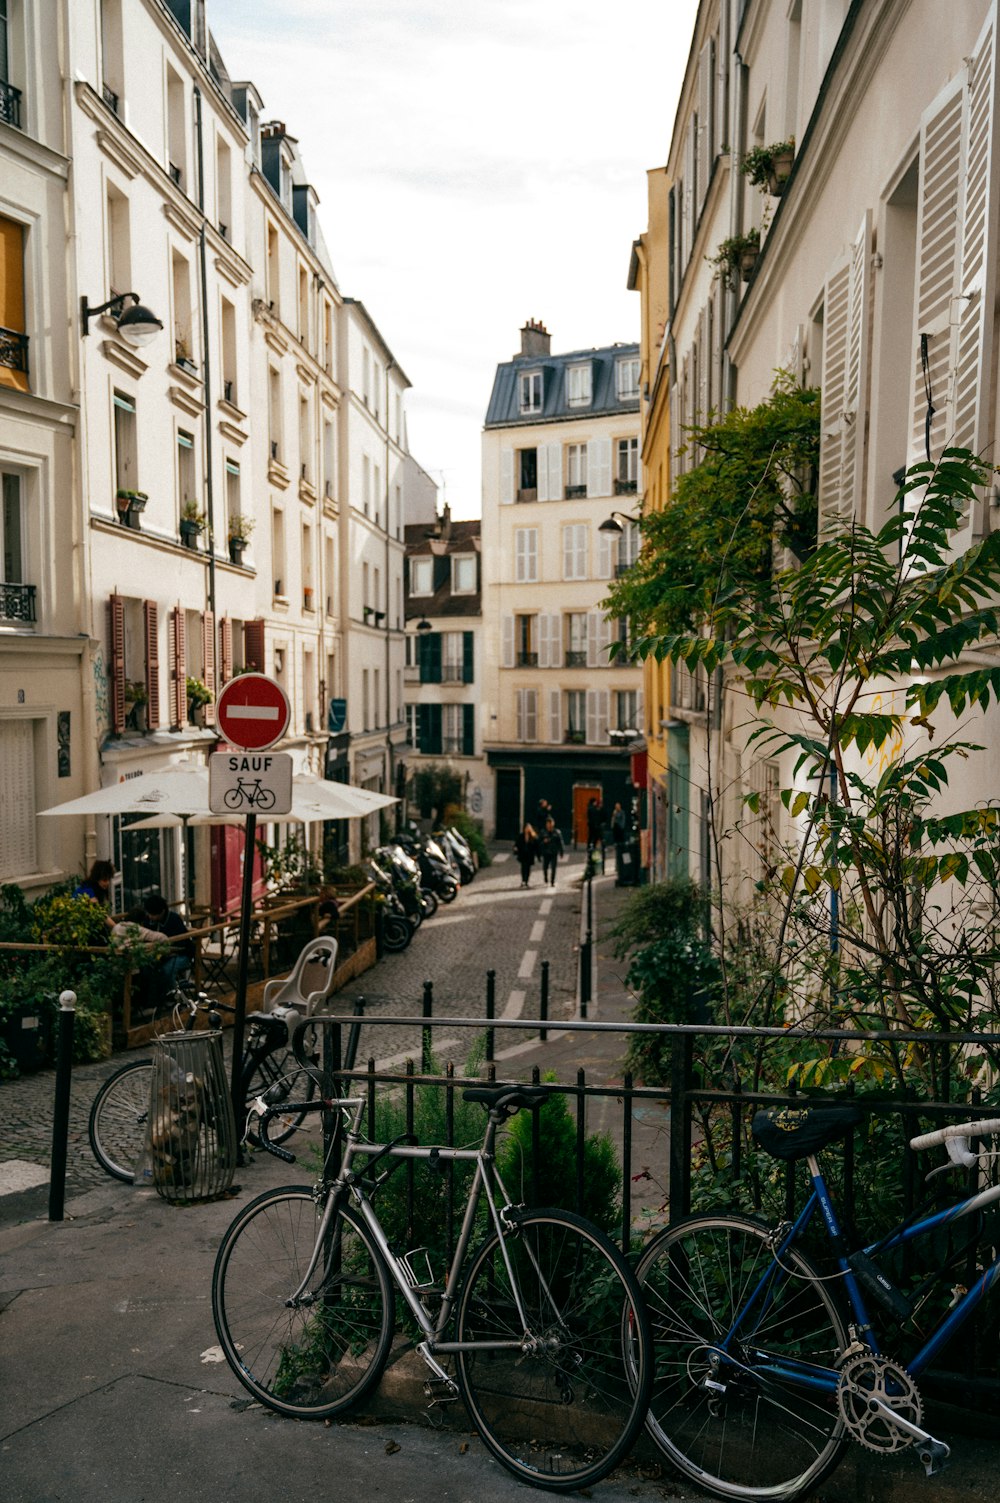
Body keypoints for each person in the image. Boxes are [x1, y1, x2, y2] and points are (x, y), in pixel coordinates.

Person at [140, 893, 194, 993]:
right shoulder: (148, 920)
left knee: (167, 970)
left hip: (180, 953)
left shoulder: (174, 919)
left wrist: (167, 952)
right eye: (149, 913)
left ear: (162, 912)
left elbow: (182, 944)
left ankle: (173, 995)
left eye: (153, 914)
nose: (150, 917)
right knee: (145, 968)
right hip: (158, 953)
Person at [73, 860, 116, 930]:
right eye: (104, 880)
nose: (107, 883)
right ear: (97, 878)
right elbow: (102, 916)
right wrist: (117, 928)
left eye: (109, 880)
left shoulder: (94, 888)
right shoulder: (88, 891)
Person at [538, 817, 564, 887]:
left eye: (550, 823)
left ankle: (552, 881)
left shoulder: (557, 832)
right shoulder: (543, 832)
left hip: (553, 852)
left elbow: (560, 843)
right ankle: (546, 877)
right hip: (546, 852)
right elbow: (538, 843)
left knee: (553, 868)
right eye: (548, 824)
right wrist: (543, 842)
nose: (549, 825)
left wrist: (561, 852)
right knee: (545, 867)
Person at [513, 822, 539, 888]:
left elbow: (536, 845)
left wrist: (537, 855)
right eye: (526, 828)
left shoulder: (532, 836)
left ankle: (526, 881)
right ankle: (523, 880)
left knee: (528, 869)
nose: (527, 829)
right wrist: (515, 848)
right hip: (523, 854)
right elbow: (517, 843)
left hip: (530, 855)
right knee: (523, 868)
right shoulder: (521, 836)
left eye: (529, 828)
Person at [586, 797, 605, 873]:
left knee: (591, 837)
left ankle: (590, 847)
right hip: (595, 827)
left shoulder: (589, 808)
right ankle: (593, 848)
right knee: (595, 837)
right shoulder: (593, 809)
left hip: (591, 826)